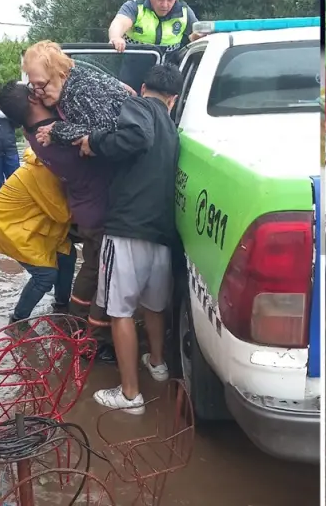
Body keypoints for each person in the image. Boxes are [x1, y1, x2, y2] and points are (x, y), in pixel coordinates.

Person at [84, 65, 183, 414]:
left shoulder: (139, 106)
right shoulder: (173, 128)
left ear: (144, 87)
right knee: (154, 305)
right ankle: (157, 364)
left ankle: (129, 396)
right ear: (173, 99)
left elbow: (135, 137)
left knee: (120, 311)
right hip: (161, 233)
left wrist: (92, 142)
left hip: (126, 228)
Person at [0, 80, 117, 361]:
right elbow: (102, 137)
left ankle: (66, 312)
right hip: (92, 209)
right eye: (36, 88)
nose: (43, 89)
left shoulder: (35, 131)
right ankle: (89, 338)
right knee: (96, 271)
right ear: (33, 100)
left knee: (76, 261)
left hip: (77, 207)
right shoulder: (53, 135)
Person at [0, 147, 76, 324]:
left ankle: (62, 306)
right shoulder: (43, 171)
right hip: (12, 227)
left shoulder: (49, 165)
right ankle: (17, 320)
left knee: (67, 254)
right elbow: (62, 214)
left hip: (34, 223)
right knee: (45, 275)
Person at [23, 41, 133, 149]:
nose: (37, 92)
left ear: (62, 76)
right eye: (33, 85)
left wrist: (57, 130)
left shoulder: (81, 92)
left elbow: (105, 131)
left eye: (41, 84)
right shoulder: (64, 89)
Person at [107, 0, 201, 83]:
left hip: (166, 84)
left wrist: (198, 38)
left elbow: (198, 34)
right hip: (132, 81)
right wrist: (116, 37)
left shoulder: (184, 12)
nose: (165, 5)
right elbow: (119, 23)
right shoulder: (135, 6)